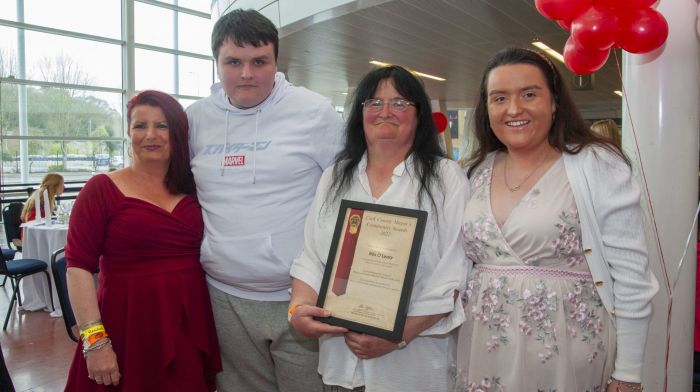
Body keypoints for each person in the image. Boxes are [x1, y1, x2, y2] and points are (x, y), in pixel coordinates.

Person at [455, 47, 658, 392]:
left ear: (554, 102)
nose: (514, 109)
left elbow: (631, 275)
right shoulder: (474, 171)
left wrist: (629, 372)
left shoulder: (595, 164)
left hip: (568, 352)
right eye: (499, 98)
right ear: (487, 108)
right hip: (483, 349)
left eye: (529, 94)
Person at [186, 9, 344, 392]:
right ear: (216, 63)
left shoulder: (315, 112)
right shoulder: (194, 120)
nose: (246, 74)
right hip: (224, 297)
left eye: (260, 62)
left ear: (276, 61)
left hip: (300, 298)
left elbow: (347, 196)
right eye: (233, 62)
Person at [289, 65, 469, 391]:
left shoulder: (447, 178)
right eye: (373, 103)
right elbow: (312, 256)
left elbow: (453, 273)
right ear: (360, 114)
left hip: (412, 362)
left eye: (400, 103)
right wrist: (298, 309)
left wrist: (397, 336)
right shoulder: (334, 176)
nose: (385, 111)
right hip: (341, 358)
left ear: (419, 115)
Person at [64, 90, 221, 390]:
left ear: (177, 133)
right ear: (128, 132)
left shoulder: (196, 189)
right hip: (127, 323)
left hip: (188, 325)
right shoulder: (101, 190)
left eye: (162, 126)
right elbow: (77, 268)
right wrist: (95, 342)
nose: (151, 135)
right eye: (140, 126)